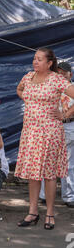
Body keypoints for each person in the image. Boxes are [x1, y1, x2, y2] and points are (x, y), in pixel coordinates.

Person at [15, 48, 74, 230]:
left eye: (39, 59)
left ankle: (49, 213)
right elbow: (19, 89)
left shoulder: (57, 79)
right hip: (30, 132)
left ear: (49, 63)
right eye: (34, 58)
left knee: (49, 175)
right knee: (33, 174)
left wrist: (65, 114)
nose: (35, 62)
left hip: (50, 133)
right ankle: (33, 211)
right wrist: (29, 101)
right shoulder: (28, 77)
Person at [39, 61, 74, 207]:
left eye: (63, 72)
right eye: (57, 71)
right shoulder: (49, 87)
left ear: (70, 74)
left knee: (69, 162)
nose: (60, 74)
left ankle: (69, 196)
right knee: (46, 159)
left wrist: (65, 116)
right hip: (50, 126)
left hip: (69, 125)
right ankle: (44, 195)